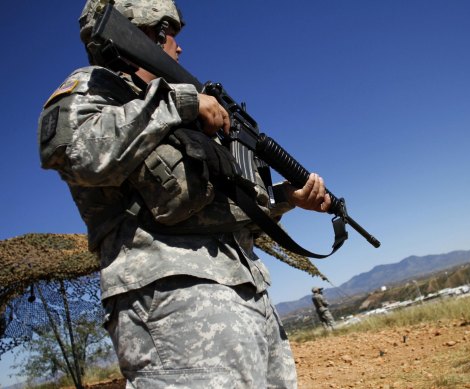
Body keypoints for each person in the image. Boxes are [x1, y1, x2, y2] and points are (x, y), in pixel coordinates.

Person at [37, 1, 332, 387]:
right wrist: (181, 102)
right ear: (149, 32)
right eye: (171, 34)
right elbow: (75, 151)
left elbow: (222, 207)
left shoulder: (173, 114)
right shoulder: (94, 90)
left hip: (247, 294)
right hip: (174, 304)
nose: (180, 48)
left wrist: (286, 198)